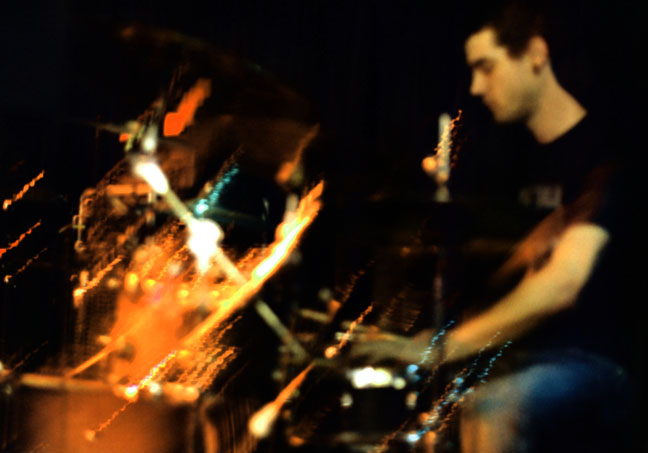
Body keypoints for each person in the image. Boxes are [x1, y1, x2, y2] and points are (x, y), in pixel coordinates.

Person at [352, 1, 636, 451]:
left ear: (536, 54)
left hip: (597, 364)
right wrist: (418, 335)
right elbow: (514, 264)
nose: (476, 87)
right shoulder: (515, 159)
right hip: (524, 355)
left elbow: (563, 282)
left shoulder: (602, 154)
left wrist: (442, 348)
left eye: (487, 67)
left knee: (491, 405)